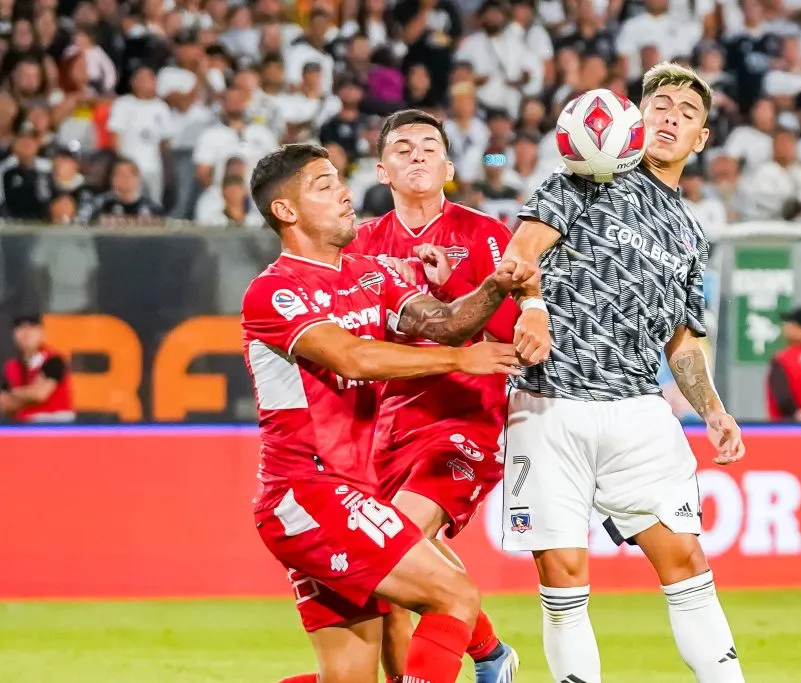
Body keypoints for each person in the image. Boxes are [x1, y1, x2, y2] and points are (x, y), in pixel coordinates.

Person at [241, 143, 538, 683]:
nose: (343, 194)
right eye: (323, 186)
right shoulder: (274, 291)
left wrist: (494, 285)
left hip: (347, 491)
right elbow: (351, 357)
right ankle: (492, 657)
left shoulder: (370, 274)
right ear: (286, 210)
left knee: (349, 677)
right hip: (307, 492)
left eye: (339, 181)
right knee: (454, 597)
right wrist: (460, 361)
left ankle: (492, 656)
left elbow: (446, 323)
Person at [502, 62, 747, 683]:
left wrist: (714, 410)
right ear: (636, 119)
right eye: (660, 105)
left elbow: (683, 341)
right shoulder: (582, 177)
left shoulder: (691, 233)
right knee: (562, 577)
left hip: (638, 410)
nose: (671, 117)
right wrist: (533, 307)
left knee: (686, 562)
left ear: (701, 139)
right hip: (549, 400)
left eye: (687, 113)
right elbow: (519, 255)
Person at [346, 108, 536, 683]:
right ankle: (489, 652)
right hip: (383, 424)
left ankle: (487, 654)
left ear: (449, 167)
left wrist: (455, 287)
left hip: (465, 415)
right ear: (382, 171)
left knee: (392, 546)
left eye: (430, 146)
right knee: (392, 585)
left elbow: (516, 334)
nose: (417, 154)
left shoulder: (486, 235)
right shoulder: (361, 245)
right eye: (402, 147)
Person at [1, 314, 75, 423]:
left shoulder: (54, 360)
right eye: (20, 328)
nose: (26, 333)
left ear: (42, 333)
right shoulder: (11, 365)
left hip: (54, 422)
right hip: (23, 423)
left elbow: (39, 394)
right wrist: (24, 395)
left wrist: (12, 394)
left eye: (32, 328)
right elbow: (5, 404)